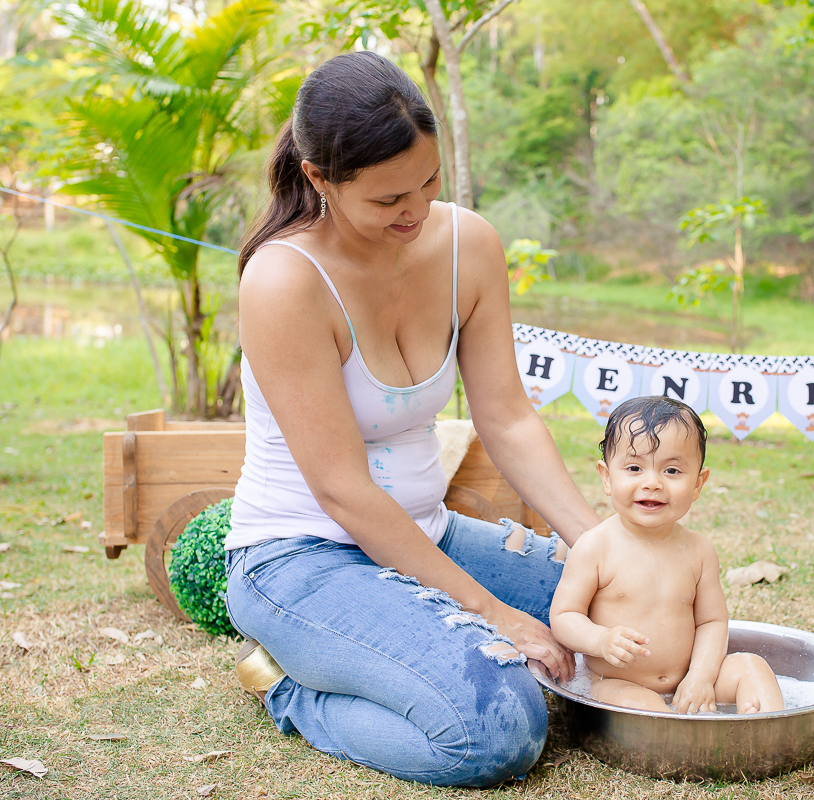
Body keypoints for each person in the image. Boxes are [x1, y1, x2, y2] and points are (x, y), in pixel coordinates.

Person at [222, 51, 600, 788]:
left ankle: (402, 648)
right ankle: (292, 689)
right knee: (500, 729)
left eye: (430, 182)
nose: (416, 210)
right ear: (319, 178)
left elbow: (508, 418)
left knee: (629, 611)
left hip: (426, 534)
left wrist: (602, 545)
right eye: (389, 198)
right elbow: (342, 490)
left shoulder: (469, 244)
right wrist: (495, 613)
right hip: (303, 558)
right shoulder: (284, 281)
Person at [549, 397, 785, 714]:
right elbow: (564, 617)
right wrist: (601, 640)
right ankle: (685, 736)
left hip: (689, 682)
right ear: (607, 477)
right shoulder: (595, 547)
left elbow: (712, 621)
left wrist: (701, 677)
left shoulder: (699, 551)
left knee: (751, 666)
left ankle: (766, 731)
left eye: (672, 470)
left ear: (698, 483)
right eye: (634, 468)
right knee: (645, 708)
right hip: (618, 684)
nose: (652, 483)